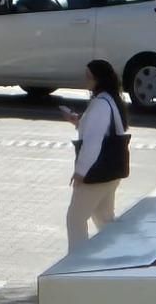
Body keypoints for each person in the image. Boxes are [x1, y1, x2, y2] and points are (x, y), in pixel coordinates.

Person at [60, 59, 131, 250]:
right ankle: (117, 254)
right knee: (104, 219)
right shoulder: (111, 100)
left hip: (96, 174)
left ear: (98, 79)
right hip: (111, 172)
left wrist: (80, 172)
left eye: (88, 77)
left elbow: (93, 142)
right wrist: (79, 121)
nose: (86, 81)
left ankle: (77, 261)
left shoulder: (100, 104)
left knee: (75, 218)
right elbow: (103, 130)